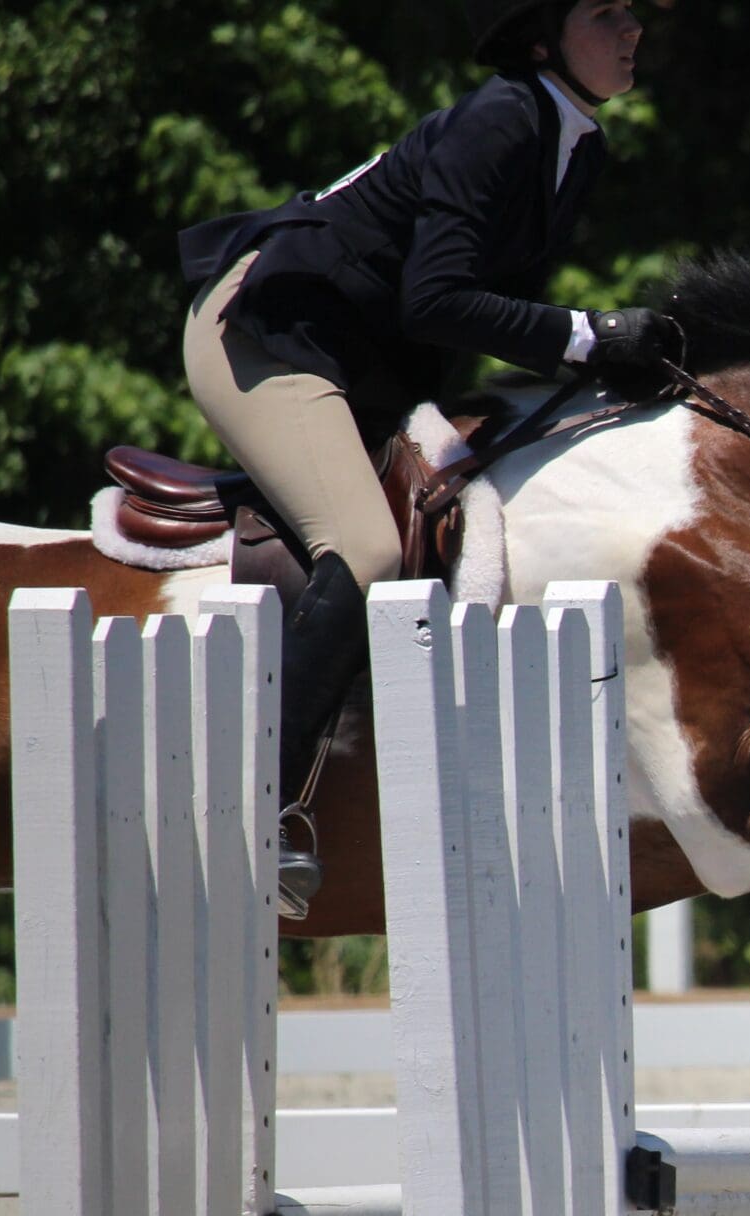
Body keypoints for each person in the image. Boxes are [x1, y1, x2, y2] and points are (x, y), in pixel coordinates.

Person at [177, 0, 681, 914]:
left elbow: (492, 313)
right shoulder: (502, 121)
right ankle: (250, 813)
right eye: (605, 12)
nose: (632, 29)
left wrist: (601, 357)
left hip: (367, 362)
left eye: (632, 13)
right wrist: (588, 334)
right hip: (270, 332)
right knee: (368, 550)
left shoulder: (575, 143)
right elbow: (437, 299)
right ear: (542, 37)